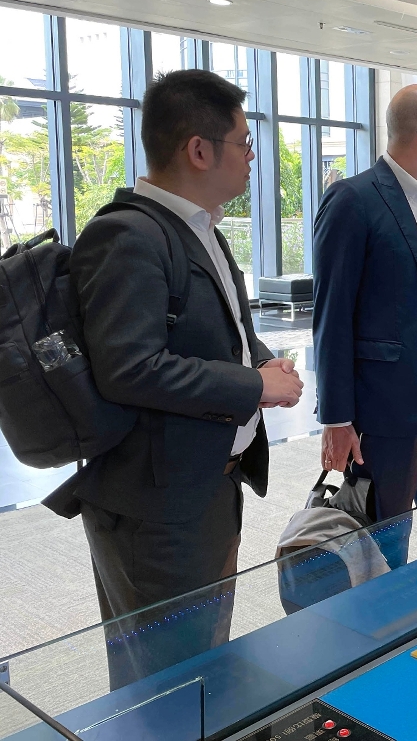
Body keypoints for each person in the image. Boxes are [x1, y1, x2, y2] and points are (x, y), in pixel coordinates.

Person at [45, 69, 303, 688]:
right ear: (198, 150)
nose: (251, 157)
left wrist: (261, 360)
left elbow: (220, 329)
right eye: (244, 143)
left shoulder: (199, 227)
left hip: (202, 485)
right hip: (154, 507)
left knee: (203, 661)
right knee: (162, 680)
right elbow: (129, 367)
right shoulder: (126, 235)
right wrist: (252, 386)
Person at [313, 84, 417, 568]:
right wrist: (337, 419)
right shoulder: (352, 200)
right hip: (384, 411)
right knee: (385, 552)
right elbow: (332, 314)